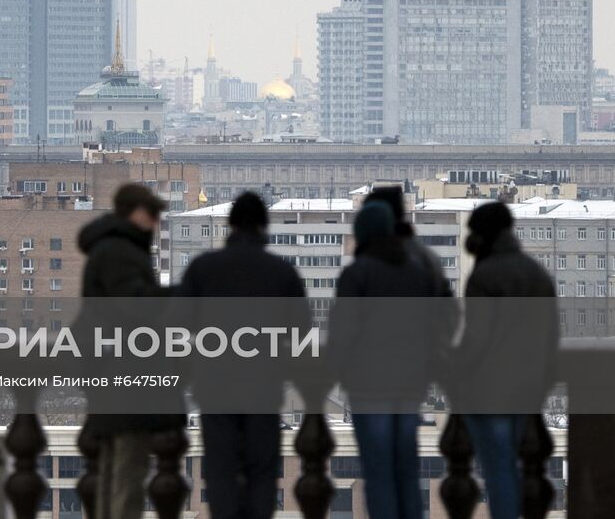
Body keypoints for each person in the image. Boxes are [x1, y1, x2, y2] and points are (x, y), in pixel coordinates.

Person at [176, 191, 306, 519]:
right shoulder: (281, 272)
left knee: (221, 469)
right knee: (261, 470)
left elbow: (179, 323)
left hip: (215, 387)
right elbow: (300, 329)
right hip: (263, 387)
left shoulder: (204, 268)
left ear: (230, 225)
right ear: (263, 225)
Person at [328, 200, 454, 519]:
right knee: (405, 469)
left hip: (368, 387)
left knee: (379, 472)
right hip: (410, 384)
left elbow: (343, 333)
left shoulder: (357, 274)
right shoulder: (417, 273)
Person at [77, 183, 182, 519]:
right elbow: (136, 307)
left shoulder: (110, 248)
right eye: (152, 214)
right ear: (134, 212)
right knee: (127, 472)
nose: (156, 222)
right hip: (127, 377)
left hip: (111, 371)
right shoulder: (121, 252)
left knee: (112, 468)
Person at [450, 202, 557, 519]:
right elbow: (550, 336)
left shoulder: (484, 276)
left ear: (482, 236)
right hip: (529, 388)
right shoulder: (537, 273)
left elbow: (477, 338)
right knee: (525, 467)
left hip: (491, 390)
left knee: (499, 470)